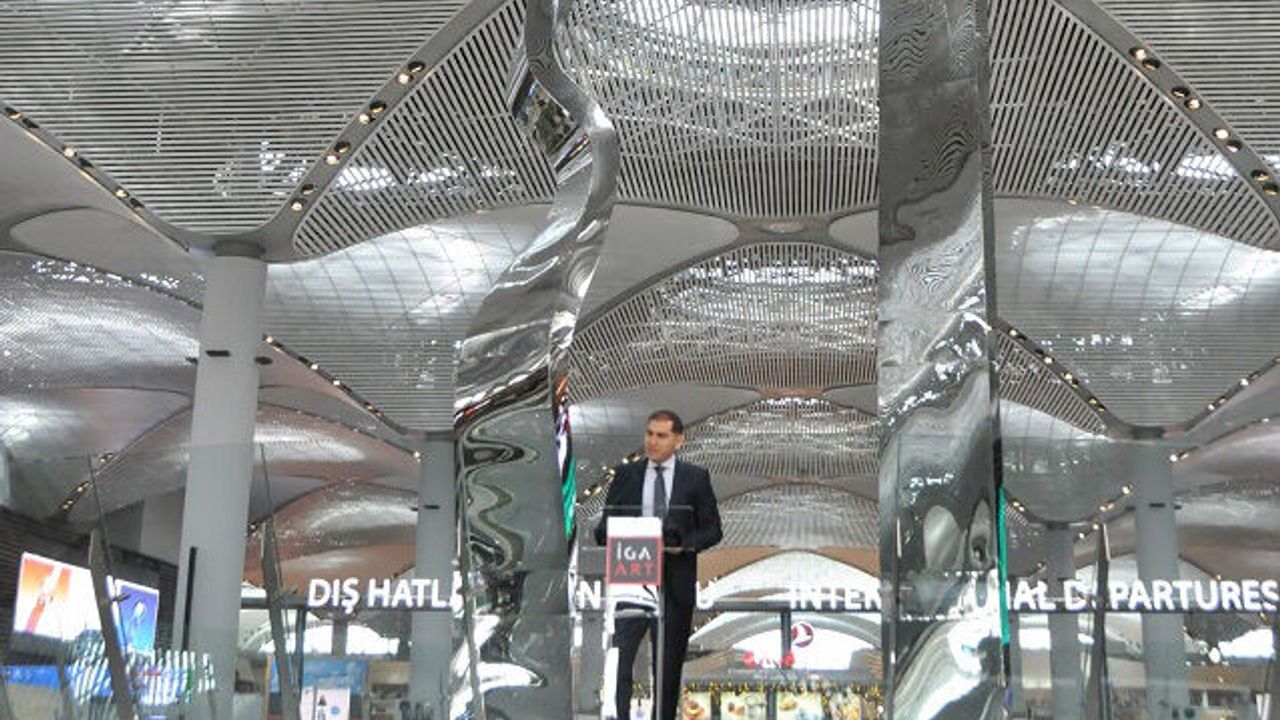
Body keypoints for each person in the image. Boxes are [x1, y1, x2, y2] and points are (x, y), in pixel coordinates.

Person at [594, 409, 722, 720]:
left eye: (661, 436)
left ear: (679, 440)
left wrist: (684, 544)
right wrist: (618, 533)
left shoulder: (695, 478)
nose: (652, 441)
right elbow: (603, 526)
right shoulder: (627, 475)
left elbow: (713, 530)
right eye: (649, 434)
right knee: (622, 660)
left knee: (667, 670)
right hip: (633, 578)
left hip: (675, 585)